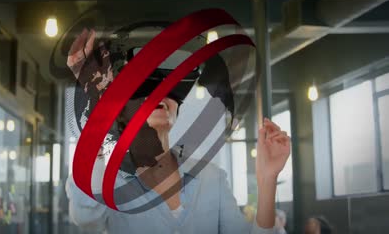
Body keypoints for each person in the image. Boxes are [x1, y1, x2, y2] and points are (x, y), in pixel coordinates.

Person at [65, 28, 291, 234]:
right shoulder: (111, 183)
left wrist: (267, 180)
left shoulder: (210, 178)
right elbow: (86, 218)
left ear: (176, 110)